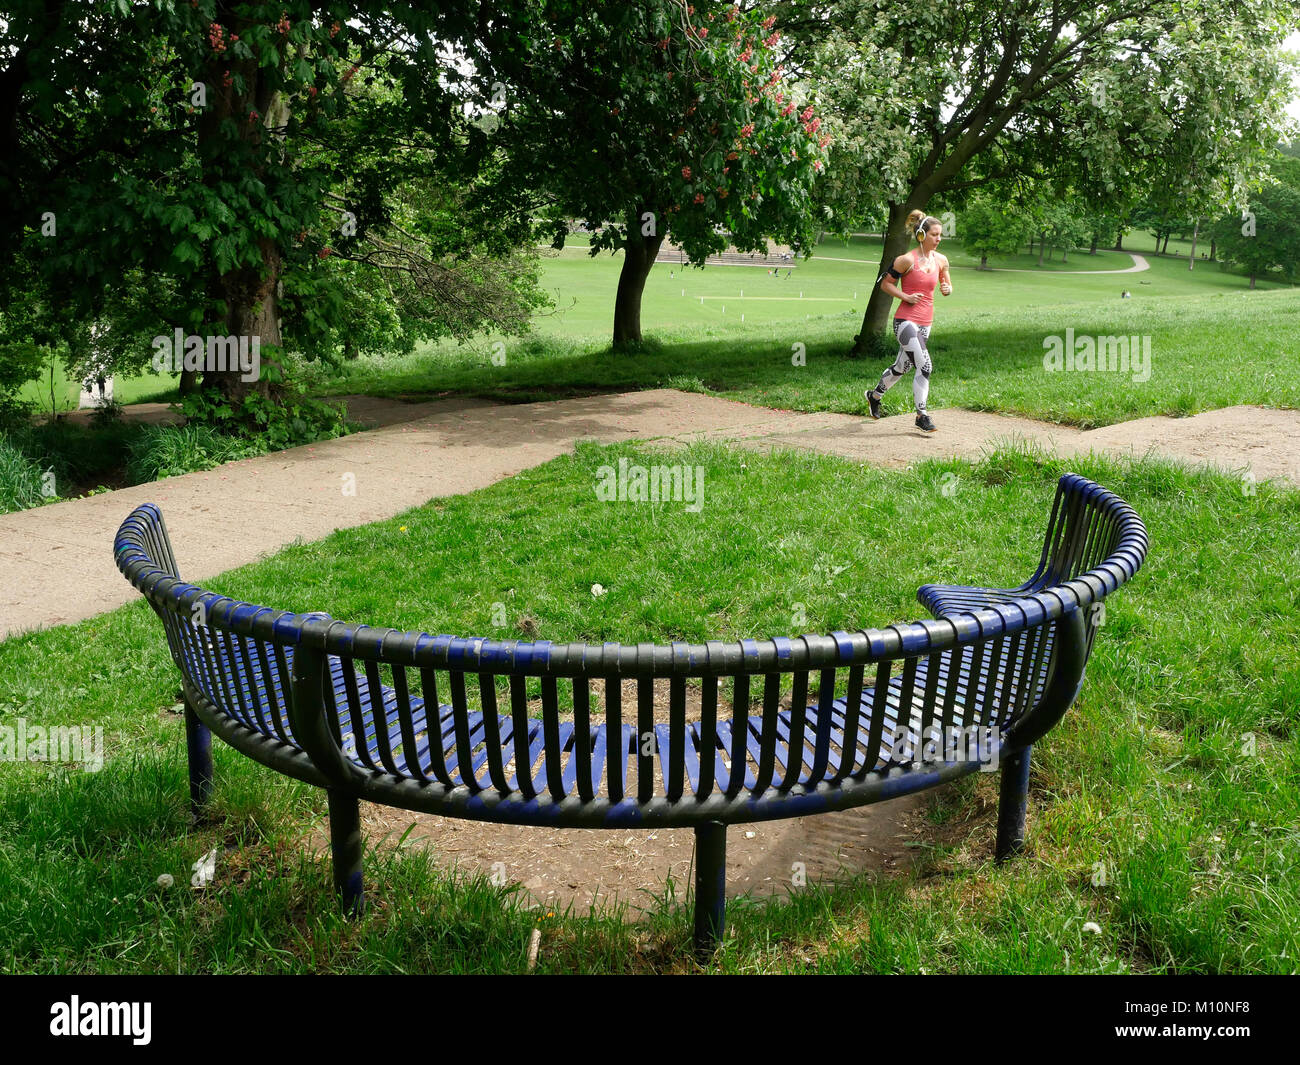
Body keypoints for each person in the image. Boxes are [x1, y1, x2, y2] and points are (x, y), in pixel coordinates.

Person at [864, 210, 952, 433]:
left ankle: (874, 396)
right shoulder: (906, 260)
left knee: (902, 367)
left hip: (926, 323)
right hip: (905, 321)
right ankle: (921, 415)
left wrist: (947, 288)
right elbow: (885, 284)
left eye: (940, 234)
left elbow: (947, 286)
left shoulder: (941, 260)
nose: (939, 239)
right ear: (922, 235)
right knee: (925, 365)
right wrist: (905, 296)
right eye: (934, 234)